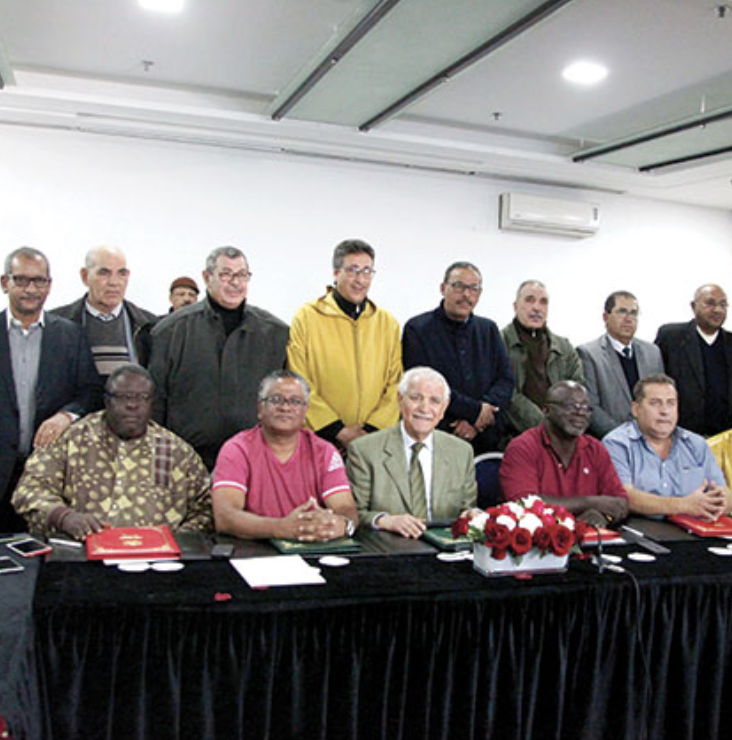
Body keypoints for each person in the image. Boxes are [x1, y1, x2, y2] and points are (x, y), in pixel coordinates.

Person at [12, 365, 212, 539]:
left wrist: (177, 541)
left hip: (156, 561)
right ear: (106, 400)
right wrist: (63, 517)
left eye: (142, 398)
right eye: (122, 397)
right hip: (81, 554)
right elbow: (29, 491)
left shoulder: (176, 451)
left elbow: (207, 508)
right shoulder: (72, 439)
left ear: (152, 403)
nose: (132, 405)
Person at [149, 246, 289, 469]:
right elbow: (155, 402)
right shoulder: (171, 332)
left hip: (254, 461)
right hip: (184, 461)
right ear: (207, 277)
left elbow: (285, 400)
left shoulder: (275, 334)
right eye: (226, 275)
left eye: (242, 275)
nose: (235, 283)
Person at [0, 247, 101, 532]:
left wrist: (66, 415)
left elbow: (91, 391)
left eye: (39, 281)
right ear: (5, 283)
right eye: (21, 280)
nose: (31, 289)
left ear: (49, 285)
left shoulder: (70, 335)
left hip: (49, 475)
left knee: (46, 555)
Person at [212, 370, 358, 541]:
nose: (285, 407)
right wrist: (281, 528)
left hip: (311, 545)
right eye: (276, 399)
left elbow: (345, 507)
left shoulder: (324, 451)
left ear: (306, 411)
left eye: (295, 401)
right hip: (253, 548)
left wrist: (342, 524)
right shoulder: (237, 449)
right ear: (260, 408)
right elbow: (225, 517)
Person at [287, 239, 401, 452]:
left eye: (367, 271)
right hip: (320, 441)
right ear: (336, 273)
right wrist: (338, 430)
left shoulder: (387, 323)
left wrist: (371, 430)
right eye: (352, 270)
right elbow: (298, 379)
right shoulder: (307, 317)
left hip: (375, 443)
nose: (360, 280)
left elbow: (396, 383)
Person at [346, 367, 477, 538]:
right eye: (415, 398)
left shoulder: (461, 451)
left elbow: (466, 511)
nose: (424, 408)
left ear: (444, 408)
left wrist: (472, 515)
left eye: (435, 401)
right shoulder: (364, 450)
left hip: (445, 546)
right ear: (400, 400)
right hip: (389, 546)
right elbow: (352, 515)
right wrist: (384, 520)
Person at [402, 261, 513, 453]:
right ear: (443, 288)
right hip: (438, 434)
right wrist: (475, 411)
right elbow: (422, 386)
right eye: (459, 286)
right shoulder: (417, 329)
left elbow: (506, 380)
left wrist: (478, 420)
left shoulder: (488, 330)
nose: (466, 295)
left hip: (485, 437)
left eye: (473, 288)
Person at [500, 381, 628, 527]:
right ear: (546, 410)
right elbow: (524, 504)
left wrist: (603, 516)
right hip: (537, 538)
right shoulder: (522, 447)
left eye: (586, 408)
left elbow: (621, 503)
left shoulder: (595, 449)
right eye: (570, 406)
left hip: (590, 538)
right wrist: (590, 503)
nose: (580, 413)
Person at [603, 374, 731, 520]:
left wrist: (719, 503)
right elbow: (624, 496)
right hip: (640, 528)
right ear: (636, 409)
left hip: (696, 527)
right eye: (655, 403)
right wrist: (684, 505)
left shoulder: (697, 444)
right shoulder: (616, 444)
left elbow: (724, 493)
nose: (665, 411)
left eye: (671, 403)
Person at [52, 246, 155, 377]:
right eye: (104, 273)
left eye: (122, 273)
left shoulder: (149, 325)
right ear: (85, 276)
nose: (114, 282)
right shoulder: (56, 324)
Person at [501, 280, 583, 438]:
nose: (537, 308)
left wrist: (562, 425)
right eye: (529, 300)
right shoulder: (499, 343)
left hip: (563, 435)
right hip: (514, 436)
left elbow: (577, 390)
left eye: (543, 302)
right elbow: (507, 393)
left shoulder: (564, 347)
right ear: (515, 306)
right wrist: (546, 426)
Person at [577, 291, 664, 438]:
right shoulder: (588, 354)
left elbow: (661, 398)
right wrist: (623, 438)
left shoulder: (652, 352)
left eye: (634, 313)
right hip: (611, 441)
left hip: (651, 439)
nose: (628, 319)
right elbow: (591, 407)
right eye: (622, 312)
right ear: (606, 317)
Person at [655, 284, 732, 436]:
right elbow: (655, 381)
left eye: (723, 305)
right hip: (680, 434)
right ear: (693, 306)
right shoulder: (671, 337)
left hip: (726, 436)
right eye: (710, 303)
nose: (717, 310)